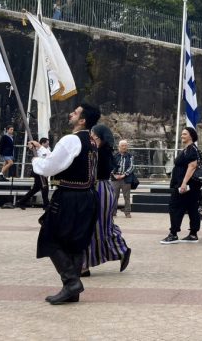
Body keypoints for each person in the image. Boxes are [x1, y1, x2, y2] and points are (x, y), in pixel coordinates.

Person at [31, 103, 100, 305]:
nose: (71, 113)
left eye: (76, 112)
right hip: (87, 196)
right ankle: (72, 290)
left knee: (49, 239)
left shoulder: (72, 139)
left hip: (69, 197)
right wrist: (42, 150)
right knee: (75, 244)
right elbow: (63, 160)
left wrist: (37, 160)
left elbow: (50, 167)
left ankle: (71, 283)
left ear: (82, 120)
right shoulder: (91, 141)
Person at [81, 124, 131, 276]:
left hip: (99, 190)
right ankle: (86, 264)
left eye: (93, 136)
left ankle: (85, 265)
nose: (91, 138)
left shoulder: (100, 153)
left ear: (100, 138)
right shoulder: (102, 151)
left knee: (97, 228)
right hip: (99, 189)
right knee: (99, 227)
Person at [161, 126, 202, 244]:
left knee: (174, 207)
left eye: (184, 134)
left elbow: (192, 166)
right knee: (192, 208)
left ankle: (173, 234)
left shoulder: (191, 149)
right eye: (182, 134)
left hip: (185, 186)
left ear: (191, 135)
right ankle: (193, 234)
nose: (182, 136)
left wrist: (184, 183)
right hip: (190, 186)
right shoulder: (189, 149)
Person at [17, 137, 51, 210]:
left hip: (43, 171)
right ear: (42, 143)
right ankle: (46, 205)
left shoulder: (47, 150)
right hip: (39, 172)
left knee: (35, 189)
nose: (48, 144)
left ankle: (21, 202)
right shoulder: (40, 148)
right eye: (47, 143)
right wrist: (31, 145)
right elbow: (32, 142)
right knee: (45, 188)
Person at [111, 139, 134, 218]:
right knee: (114, 196)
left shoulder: (130, 156)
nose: (124, 147)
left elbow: (132, 167)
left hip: (126, 179)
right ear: (119, 147)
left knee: (127, 196)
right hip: (115, 179)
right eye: (122, 146)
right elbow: (110, 165)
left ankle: (127, 212)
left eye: (125, 145)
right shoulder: (114, 155)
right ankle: (113, 212)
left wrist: (124, 175)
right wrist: (114, 175)